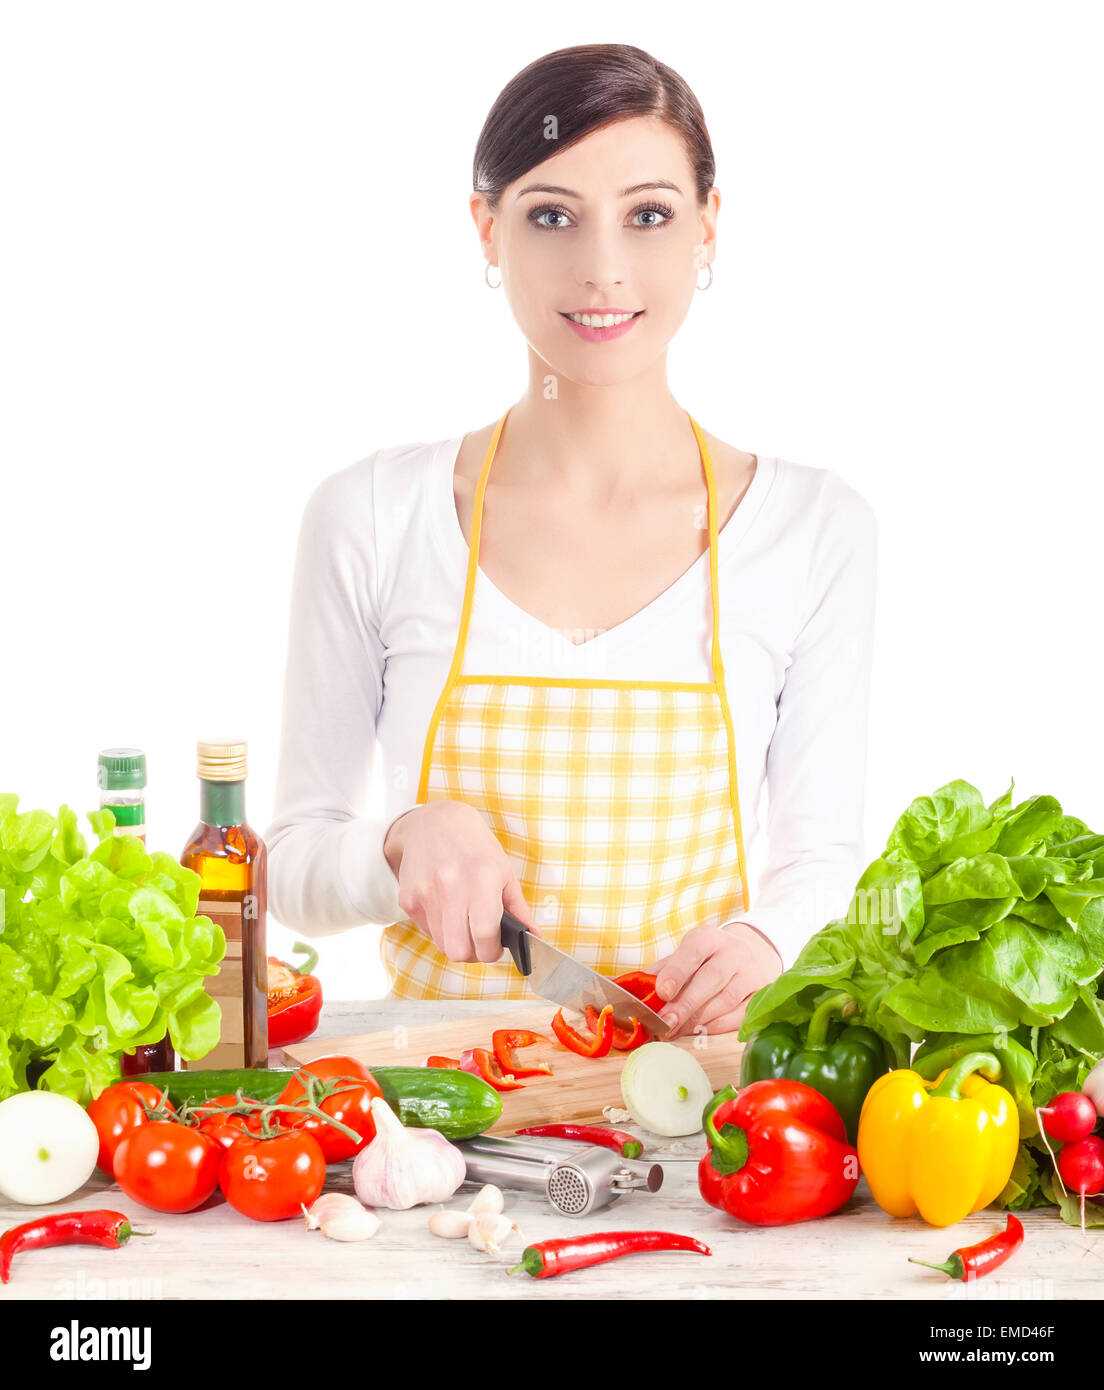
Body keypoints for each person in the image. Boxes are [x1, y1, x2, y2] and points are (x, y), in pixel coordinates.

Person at [265, 43, 877, 1037]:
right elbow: (292, 866)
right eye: (552, 215)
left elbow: (819, 868)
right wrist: (398, 841)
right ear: (488, 231)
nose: (604, 269)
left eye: (649, 215)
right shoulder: (372, 515)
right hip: (437, 1119)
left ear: (708, 228)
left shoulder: (813, 527)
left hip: (695, 1124)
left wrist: (770, 940)